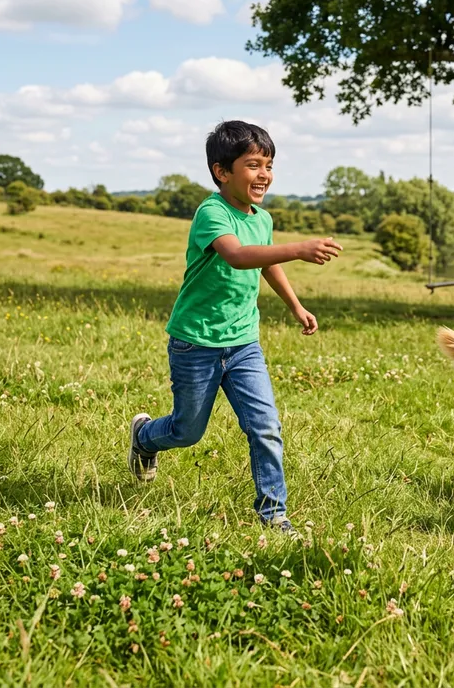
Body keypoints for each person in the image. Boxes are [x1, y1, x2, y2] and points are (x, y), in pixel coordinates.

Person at [127, 120, 342, 537]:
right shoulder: (212, 212)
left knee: (265, 426)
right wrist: (300, 247)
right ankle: (146, 436)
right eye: (253, 164)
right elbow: (240, 256)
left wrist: (295, 306)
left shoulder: (262, 218)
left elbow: (264, 262)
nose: (264, 174)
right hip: (196, 343)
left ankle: (274, 515)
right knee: (187, 431)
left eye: (269, 164)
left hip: (243, 344)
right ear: (222, 171)